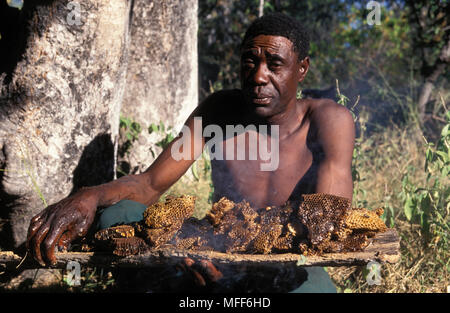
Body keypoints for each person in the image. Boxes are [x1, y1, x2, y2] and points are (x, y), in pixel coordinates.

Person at [26, 12, 355, 293]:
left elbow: (326, 220)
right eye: (250, 61)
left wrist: (240, 254)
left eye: (275, 64)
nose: (258, 76)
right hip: (216, 256)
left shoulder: (328, 120)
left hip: (290, 264)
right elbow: (150, 184)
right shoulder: (219, 111)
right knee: (117, 215)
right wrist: (89, 196)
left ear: (302, 69)